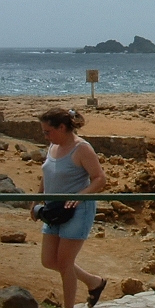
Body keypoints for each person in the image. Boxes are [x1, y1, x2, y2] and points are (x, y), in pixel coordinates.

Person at [32, 108, 107, 308]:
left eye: (48, 131)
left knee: (65, 263)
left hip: (77, 211)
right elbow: (48, 175)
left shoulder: (81, 148)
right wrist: (36, 200)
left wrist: (80, 196)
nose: (45, 135)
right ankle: (94, 282)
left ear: (62, 127)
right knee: (48, 260)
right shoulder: (53, 146)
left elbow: (99, 179)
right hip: (53, 210)